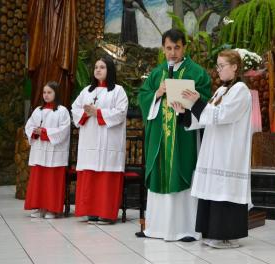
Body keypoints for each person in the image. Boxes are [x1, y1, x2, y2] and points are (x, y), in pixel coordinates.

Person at [171, 49, 252, 248]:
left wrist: (196, 102)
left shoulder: (241, 89)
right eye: (217, 66)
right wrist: (184, 112)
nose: (218, 71)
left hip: (229, 151)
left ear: (234, 67)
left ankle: (226, 235)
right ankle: (212, 232)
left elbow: (221, 115)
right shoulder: (221, 90)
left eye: (222, 66)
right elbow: (205, 118)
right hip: (214, 148)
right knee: (213, 190)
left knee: (224, 191)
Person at [138, 29, 211, 241]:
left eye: (177, 47)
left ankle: (186, 229)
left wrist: (191, 104)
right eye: (168, 48)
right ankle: (156, 228)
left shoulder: (196, 73)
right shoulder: (157, 73)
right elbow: (143, 97)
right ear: (163, 49)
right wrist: (156, 94)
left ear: (184, 47)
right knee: (160, 174)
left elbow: (205, 103)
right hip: (160, 139)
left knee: (183, 171)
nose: (172, 53)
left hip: (183, 137)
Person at [71, 56, 128, 224]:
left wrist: (99, 113)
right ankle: (91, 211)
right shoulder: (87, 91)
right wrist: (86, 113)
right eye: (96, 67)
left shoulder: (118, 90)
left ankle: (106, 213)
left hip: (109, 142)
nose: (98, 70)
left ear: (109, 70)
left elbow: (121, 113)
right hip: (90, 140)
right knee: (90, 174)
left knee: (106, 176)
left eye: (102, 67)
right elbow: (75, 109)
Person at [24, 81, 70, 219]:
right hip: (39, 151)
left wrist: (44, 132)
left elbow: (64, 130)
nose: (46, 95)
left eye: (49, 92)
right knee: (38, 181)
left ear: (56, 93)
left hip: (54, 153)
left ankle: (52, 209)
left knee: (52, 182)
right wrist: (34, 131)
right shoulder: (38, 110)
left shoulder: (62, 111)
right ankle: (39, 208)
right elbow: (29, 126)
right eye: (44, 92)